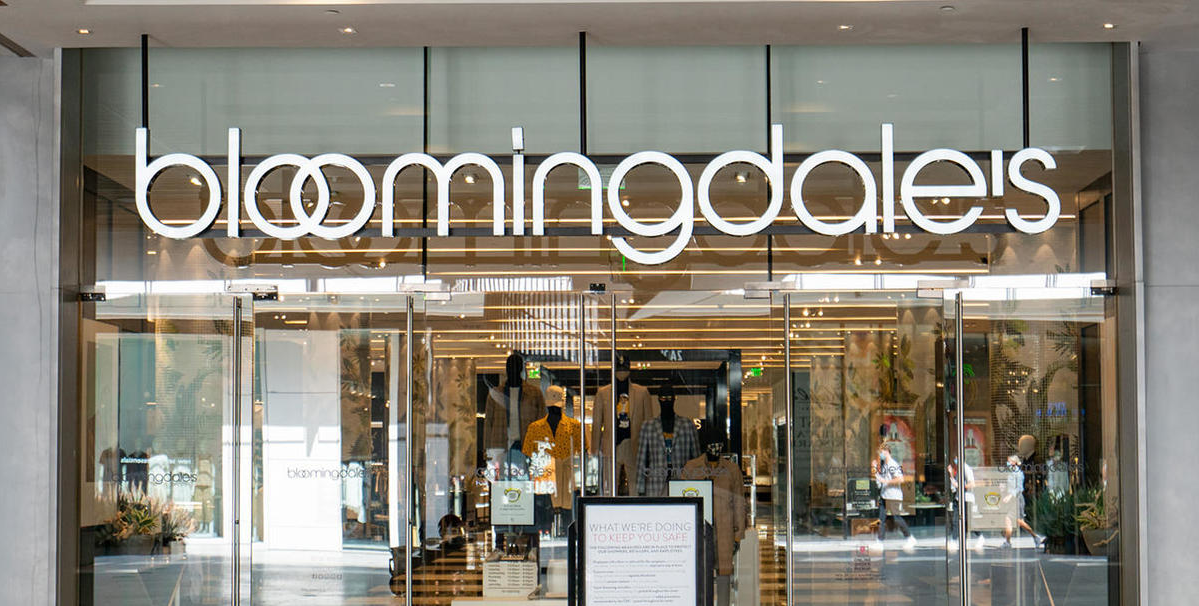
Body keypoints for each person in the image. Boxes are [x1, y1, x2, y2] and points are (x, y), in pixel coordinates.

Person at [873, 443, 916, 551]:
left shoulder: (893, 464)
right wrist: (875, 468)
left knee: (896, 518)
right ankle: (879, 542)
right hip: (885, 495)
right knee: (882, 519)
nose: (880, 455)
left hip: (893, 496)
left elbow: (900, 479)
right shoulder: (885, 465)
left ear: (886, 452)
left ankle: (910, 538)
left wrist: (886, 481)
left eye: (881, 452)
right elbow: (880, 478)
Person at [1002, 454, 1043, 548]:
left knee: (1018, 521)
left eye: (1009, 461)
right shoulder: (1010, 473)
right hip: (1011, 500)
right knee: (1010, 520)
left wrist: (1010, 496)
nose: (1007, 463)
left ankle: (1035, 536)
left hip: (1017, 499)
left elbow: (1019, 488)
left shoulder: (1018, 474)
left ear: (1014, 462)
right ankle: (1008, 541)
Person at [948, 459, 985, 553]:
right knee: (956, 520)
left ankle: (979, 536)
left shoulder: (966, 469)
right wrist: (951, 474)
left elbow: (972, 484)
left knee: (968, 521)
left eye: (957, 457)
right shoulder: (959, 469)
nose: (955, 460)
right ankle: (954, 540)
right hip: (958, 498)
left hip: (966, 499)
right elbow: (955, 485)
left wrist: (960, 486)